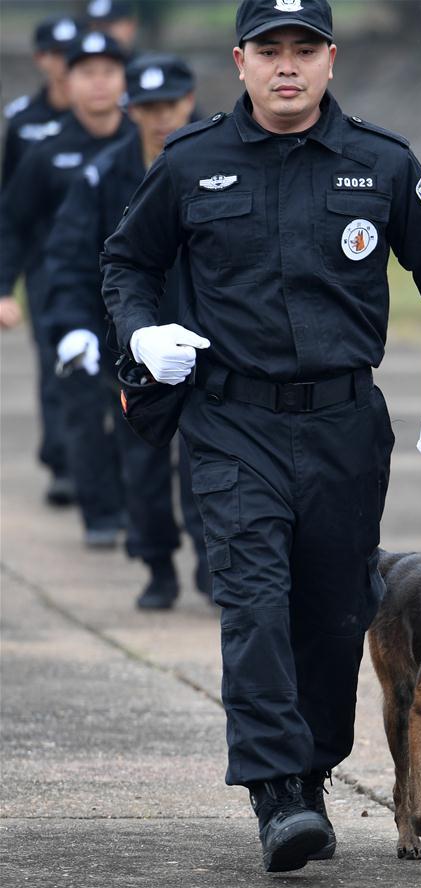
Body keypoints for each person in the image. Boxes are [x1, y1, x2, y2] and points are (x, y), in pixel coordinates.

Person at [101, 0, 421, 873]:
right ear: (238, 61)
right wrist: (141, 333)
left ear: (330, 60)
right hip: (232, 422)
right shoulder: (191, 162)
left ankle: (308, 770)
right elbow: (128, 261)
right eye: (268, 49)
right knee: (254, 600)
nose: (287, 65)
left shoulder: (380, 163)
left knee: (333, 611)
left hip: (346, 428)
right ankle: (278, 791)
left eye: (303, 49)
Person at [45, 53, 211, 609]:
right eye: (147, 107)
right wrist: (73, 329)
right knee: (139, 465)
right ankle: (156, 563)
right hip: (133, 346)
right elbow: (68, 259)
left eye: (169, 105)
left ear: (189, 102)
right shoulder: (102, 176)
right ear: (130, 110)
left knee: (208, 467)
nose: (161, 117)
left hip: (210, 347)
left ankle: (214, 568)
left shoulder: (225, 161)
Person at [0, 32, 134, 540]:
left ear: (123, 80)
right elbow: (11, 221)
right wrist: (3, 288)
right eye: (87, 72)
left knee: (132, 400)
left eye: (108, 71)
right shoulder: (47, 151)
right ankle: (96, 510)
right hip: (59, 289)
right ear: (67, 80)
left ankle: (130, 497)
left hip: (132, 294)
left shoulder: (144, 147)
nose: (99, 83)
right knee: (74, 395)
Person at [2, 14, 83, 186]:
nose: (67, 61)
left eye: (73, 51)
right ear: (40, 58)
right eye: (58, 53)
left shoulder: (102, 116)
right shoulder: (22, 118)